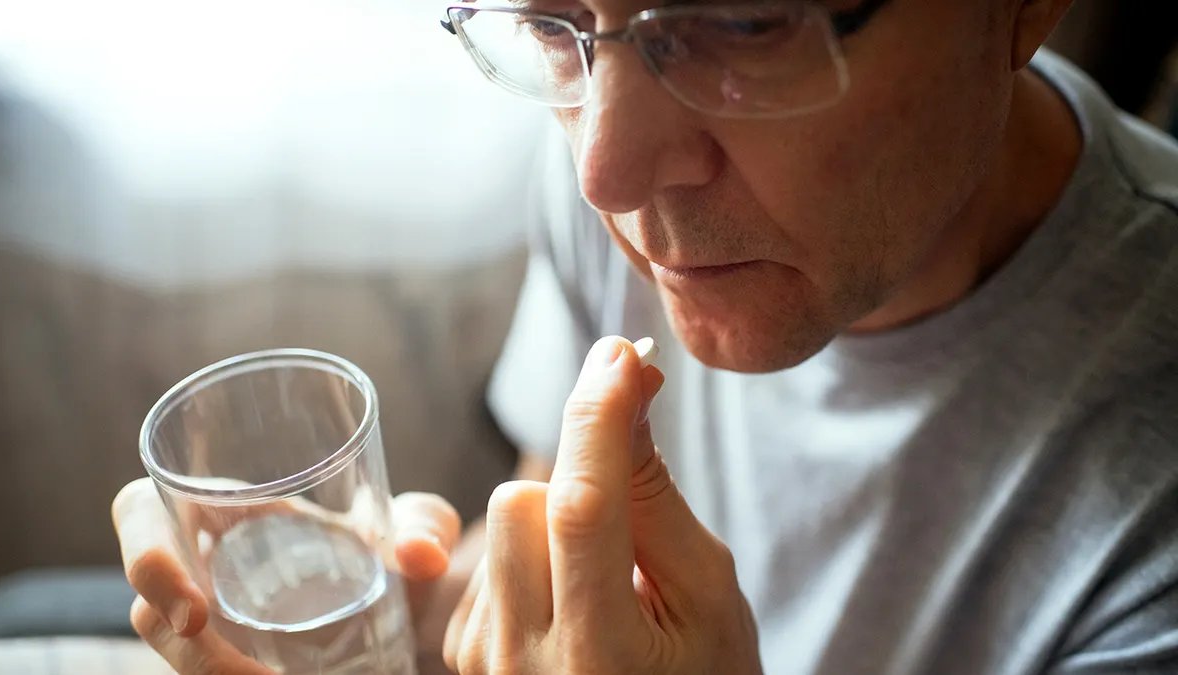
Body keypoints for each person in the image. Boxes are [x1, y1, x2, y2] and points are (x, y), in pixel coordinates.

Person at [111, 0, 1178, 672]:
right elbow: (561, 549)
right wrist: (376, 597)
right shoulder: (605, 118)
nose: (603, 173)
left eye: (743, 27)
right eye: (545, 21)